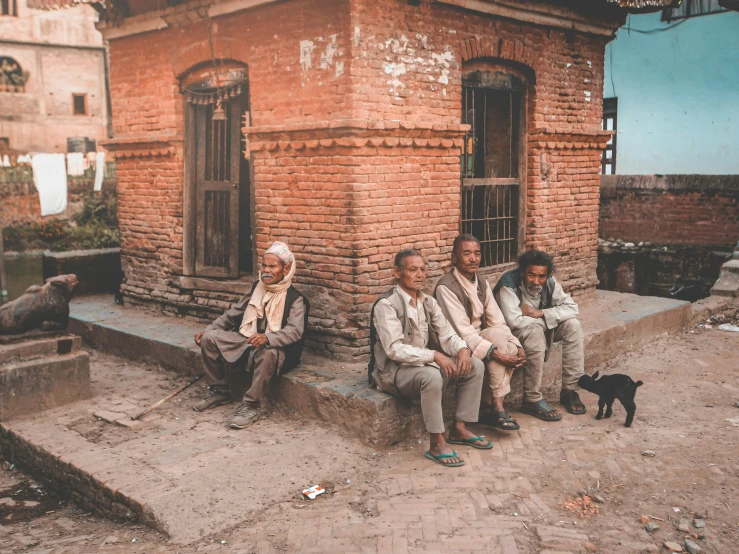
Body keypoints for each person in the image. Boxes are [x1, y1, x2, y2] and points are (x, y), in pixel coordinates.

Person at [369, 248, 489, 467]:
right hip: (395, 371)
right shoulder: (386, 304)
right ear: (398, 272)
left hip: (426, 363)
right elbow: (395, 350)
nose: (420, 275)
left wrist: (462, 349)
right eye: (413, 270)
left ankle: (460, 428)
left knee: (475, 365)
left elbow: (447, 334)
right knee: (431, 377)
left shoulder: (428, 302)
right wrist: (434, 356)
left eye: (423, 270)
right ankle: (436, 442)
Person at [193, 241, 309, 429]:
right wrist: (208, 330)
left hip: (276, 347)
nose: (266, 270)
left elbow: (295, 331)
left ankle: (250, 405)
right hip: (247, 339)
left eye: (273, 266)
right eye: (264, 265)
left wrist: (268, 338)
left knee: (268, 353)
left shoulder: (296, 299)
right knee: (209, 338)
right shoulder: (257, 287)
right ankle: (219, 391)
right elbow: (234, 313)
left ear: (285, 269)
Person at [434, 234, 526, 431]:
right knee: (498, 342)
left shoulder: (482, 283)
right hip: (457, 344)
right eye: (466, 253)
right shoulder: (446, 287)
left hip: (479, 339)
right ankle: (497, 407)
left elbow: (498, 320)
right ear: (454, 258)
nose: (473, 259)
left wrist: (517, 345)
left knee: (505, 341)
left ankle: (491, 405)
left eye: (477, 254)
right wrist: (497, 353)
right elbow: (463, 332)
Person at [493, 249, 586, 421]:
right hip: (511, 334)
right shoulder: (508, 284)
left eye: (541, 276)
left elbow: (573, 308)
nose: (536, 281)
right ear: (522, 272)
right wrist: (546, 320)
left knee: (573, 325)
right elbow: (514, 321)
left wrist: (541, 313)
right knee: (535, 332)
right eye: (531, 275)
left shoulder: (549, 282)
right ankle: (531, 399)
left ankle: (569, 390)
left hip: (539, 324)